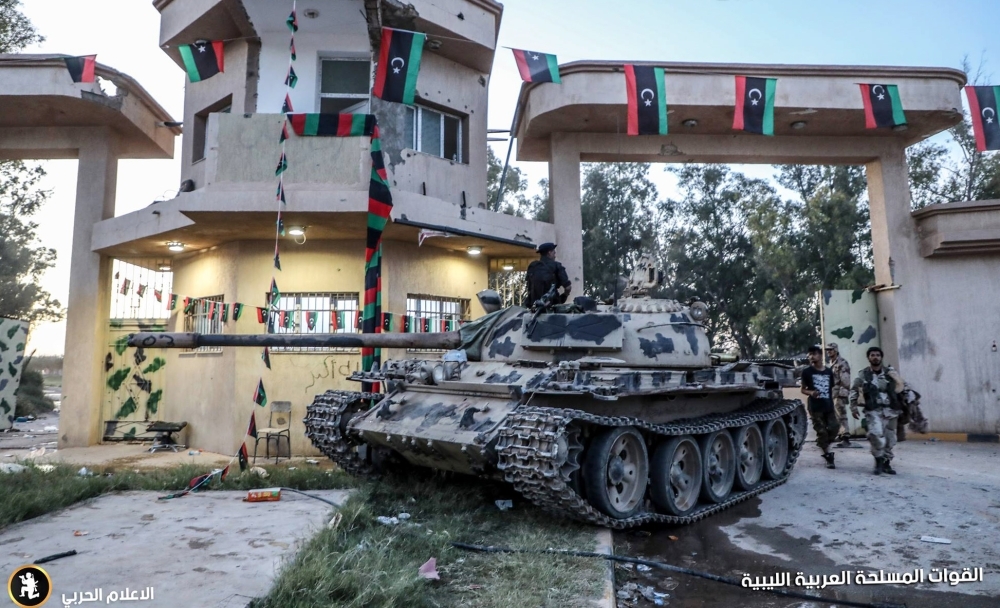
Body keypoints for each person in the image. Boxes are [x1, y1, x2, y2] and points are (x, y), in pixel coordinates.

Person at [849, 346, 906, 475]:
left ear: (881, 357)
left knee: (890, 438)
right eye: (872, 355)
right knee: (875, 435)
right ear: (869, 358)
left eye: (878, 355)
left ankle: (886, 463)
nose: (875, 357)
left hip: (891, 410)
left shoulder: (891, 373)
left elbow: (903, 387)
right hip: (873, 410)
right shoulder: (863, 374)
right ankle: (878, 461)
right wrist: (853, 406)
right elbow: (854, 389)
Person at [800, 345, 840, 469]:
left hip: (828, 405)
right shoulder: (806, 372)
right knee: (822, 432)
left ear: (820, 355)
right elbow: (803, 390)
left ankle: (823, 444)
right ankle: (828, 455)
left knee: (835, 427)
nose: (811, 357)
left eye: (814, 354)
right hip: (815, 407)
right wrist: (811, 392)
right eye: (810, 354)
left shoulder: (828, 371)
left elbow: (832, 387)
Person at [825, 342, 854, 447]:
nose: (828, 352)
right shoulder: (831, 363)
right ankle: (841, 434)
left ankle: (845, 436)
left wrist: (843, 394)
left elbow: (845, 380)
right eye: (827, 350)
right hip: (833, 392)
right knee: (836, 415)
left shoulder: (842, 363)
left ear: (836, 350)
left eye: (831, 350)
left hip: (840, 392)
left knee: (841, 415)